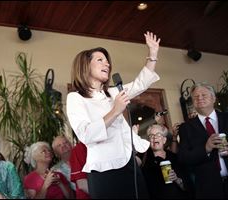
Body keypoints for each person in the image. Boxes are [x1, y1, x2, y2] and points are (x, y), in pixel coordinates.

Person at [66, 30, 160, 199]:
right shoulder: (76, 98)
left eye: (107, 61)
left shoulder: (113, 92)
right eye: (100, 60)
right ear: (85, 66)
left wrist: (152, 54)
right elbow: (86, 134)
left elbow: (141, 83)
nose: (107, 64)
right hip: (104, 170)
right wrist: (115, 110)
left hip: (130, 164)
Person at [178, 82, 228, 199]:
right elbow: (184, 158)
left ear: (213, 98)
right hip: (208, 189)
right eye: (195, 97)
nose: (199, 98)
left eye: (203, 95)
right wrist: (206, 149)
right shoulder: (186, 128)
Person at [141, 124, 193, 199]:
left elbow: (188, 186)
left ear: (164, 140)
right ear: (149, 141)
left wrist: (177, 180)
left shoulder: (175, 158)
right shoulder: (145, 162)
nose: (154, 137)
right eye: (151, 136)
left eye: (158, 135)